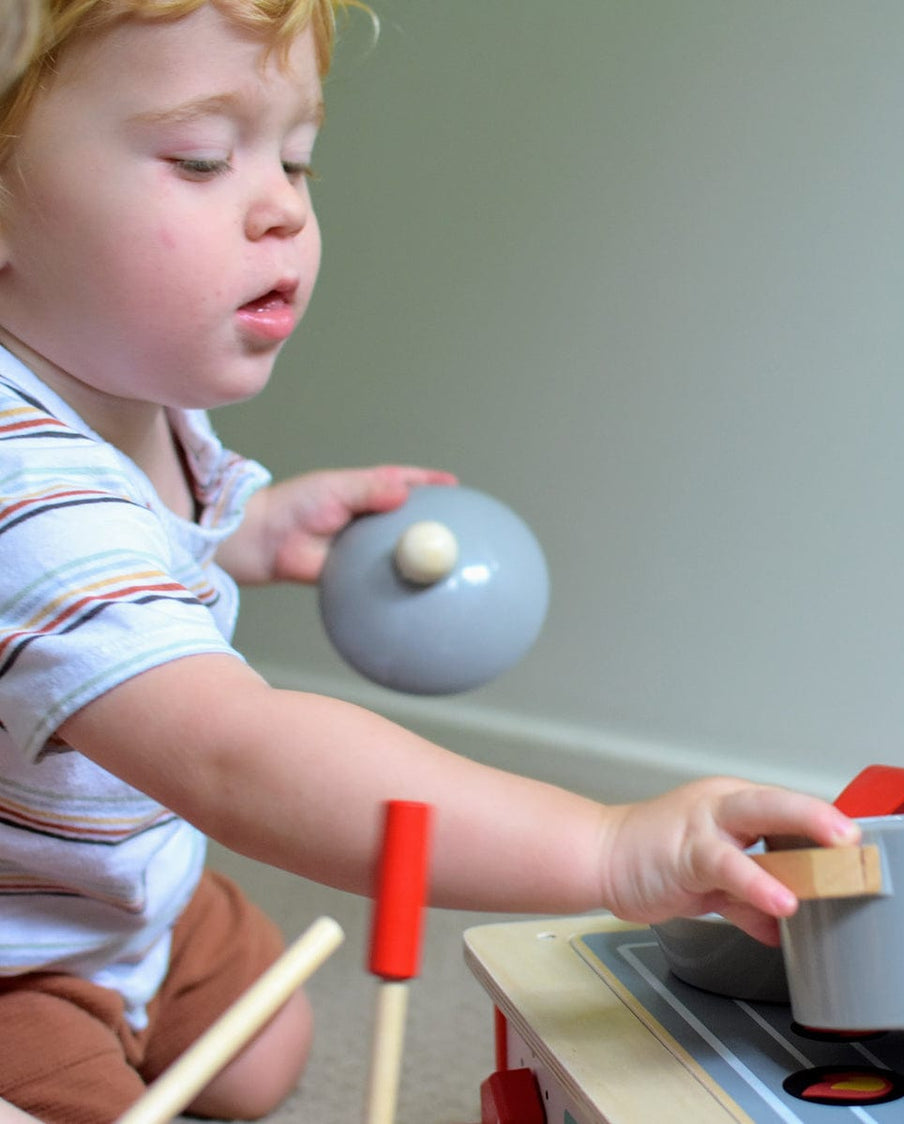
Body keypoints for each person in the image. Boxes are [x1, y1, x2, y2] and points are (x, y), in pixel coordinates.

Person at [0, 2, 859, 1121]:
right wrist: (603, 844)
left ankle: (140, 966)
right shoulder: (26, 492)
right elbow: (234, 755)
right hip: (22, 950)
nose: (279, 210)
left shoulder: (123, 401)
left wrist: (253, 527)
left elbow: (134, 544)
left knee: (265, 1054)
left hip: (127, 893)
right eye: (200, 160)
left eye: (296, 158)